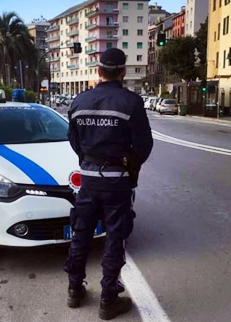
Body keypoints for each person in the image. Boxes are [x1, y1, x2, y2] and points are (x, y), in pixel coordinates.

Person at [64, 48, 154, 320]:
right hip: (118, 182)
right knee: (115, 237)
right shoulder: (131, 102)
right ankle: (108, 299)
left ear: (99, 71)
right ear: (123, 72)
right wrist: (129, 165)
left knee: (81, 234)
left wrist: (89, 160)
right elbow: (144, 145)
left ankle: (74, 290)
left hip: (89, 179)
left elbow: (74, 141)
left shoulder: (80, 101)